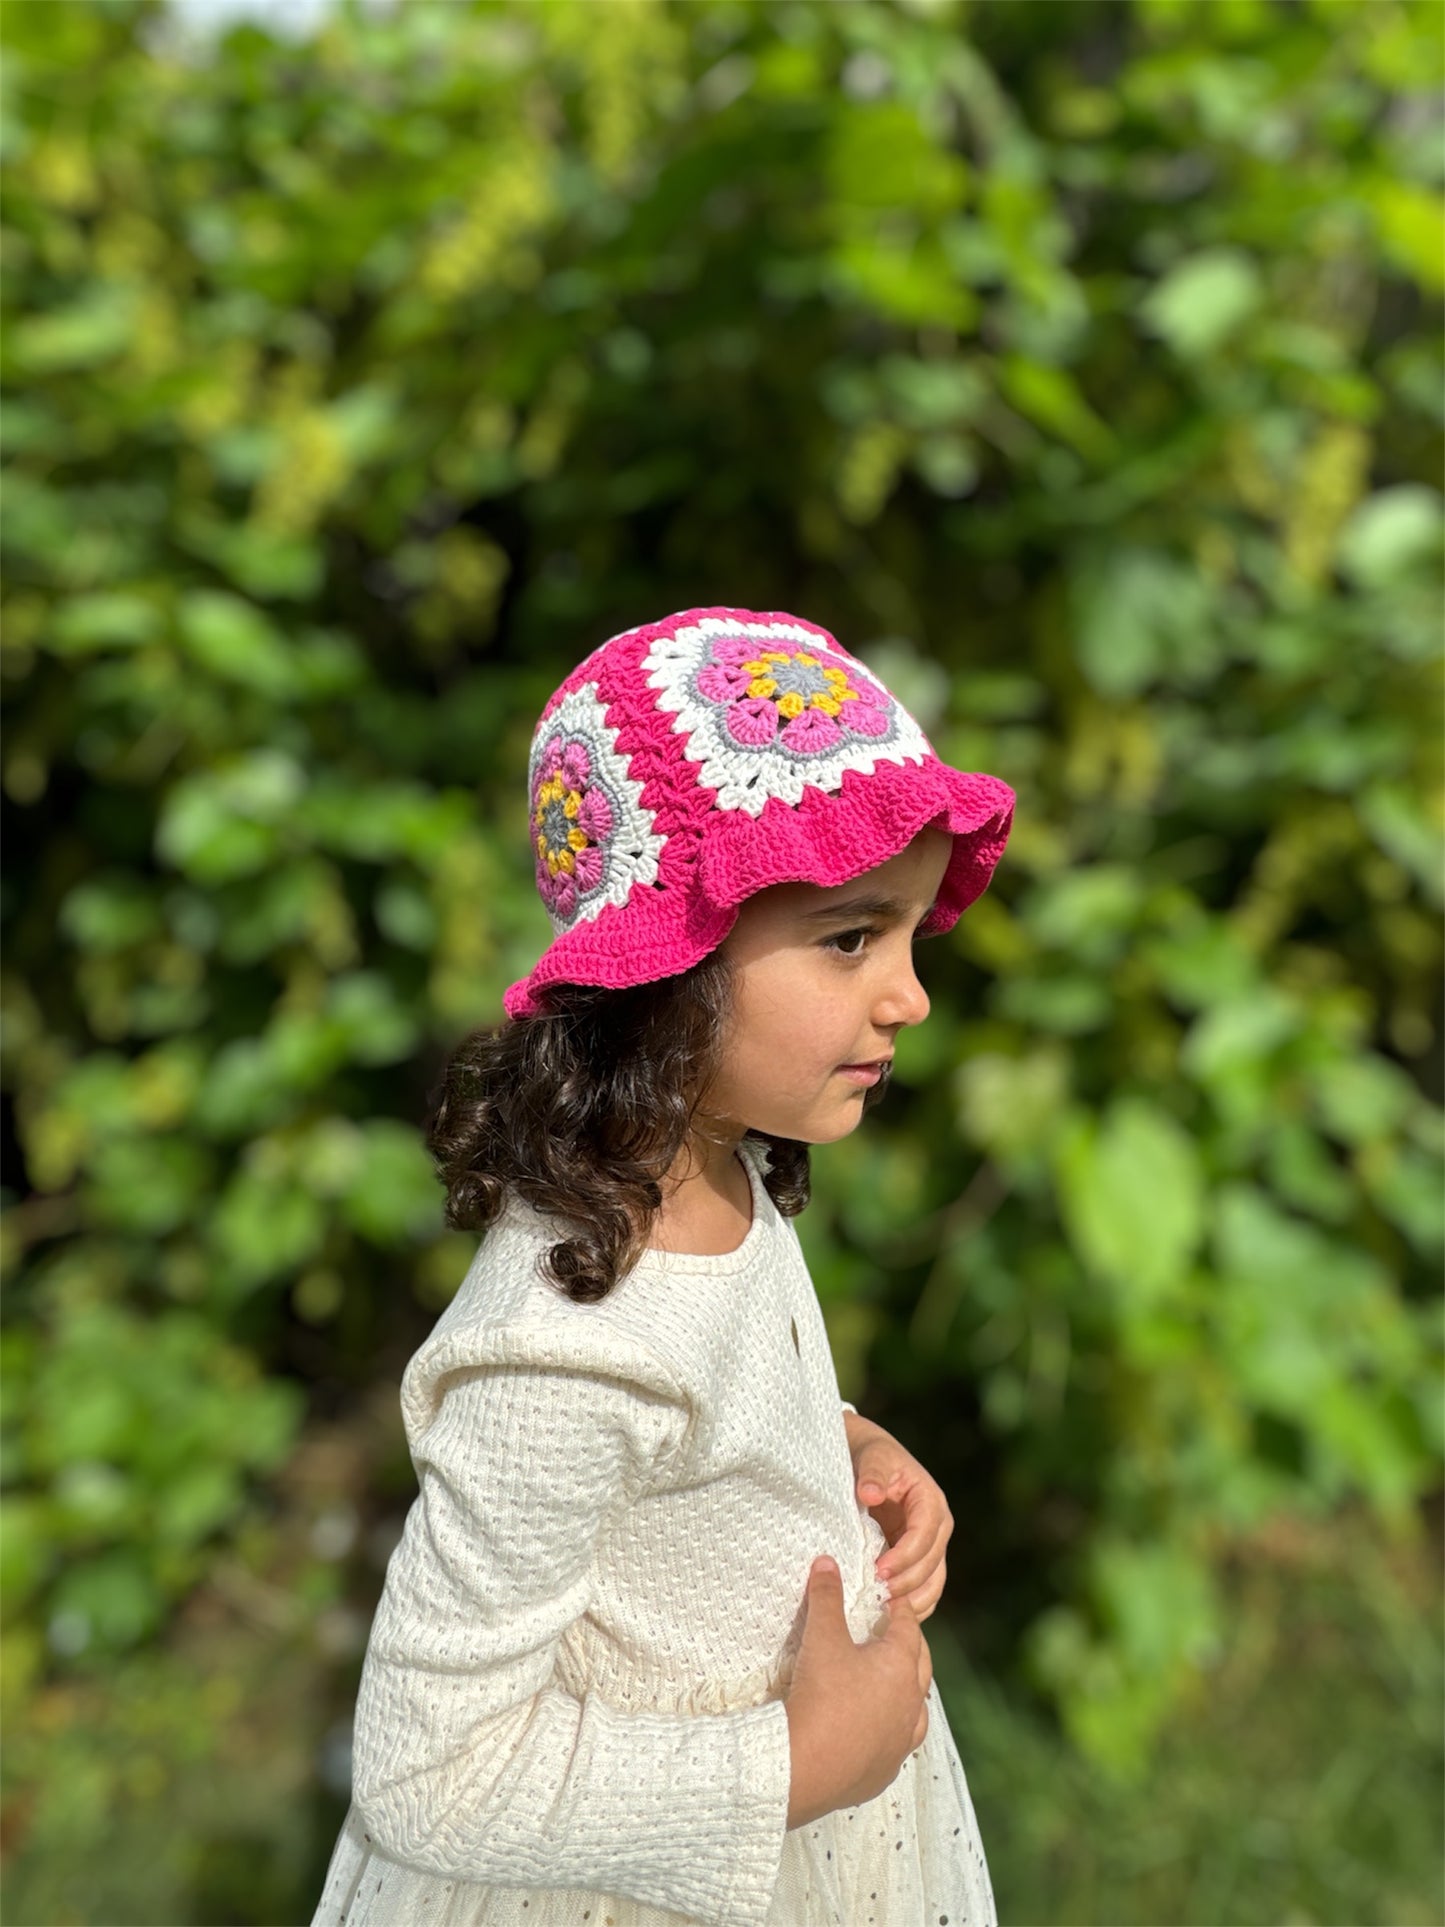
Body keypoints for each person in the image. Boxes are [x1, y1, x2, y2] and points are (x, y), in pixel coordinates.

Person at [310, 605, 1015, 1927]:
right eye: (851, 937)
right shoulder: (561, 1342)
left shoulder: (712, 1170)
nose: (908, 994)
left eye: (910, 936)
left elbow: (712, 1410)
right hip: (644, 1880)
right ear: (670, 958)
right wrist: (796, 1763)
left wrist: (843, 1444)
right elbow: (425, 1769)